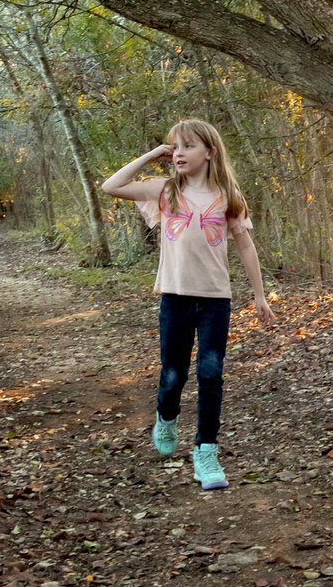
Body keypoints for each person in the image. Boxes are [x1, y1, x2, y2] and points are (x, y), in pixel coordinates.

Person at [101, 119, 274, 490]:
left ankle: (206, 452)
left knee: (211, 375)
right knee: (173, 372)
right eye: (174, 147)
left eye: (188, 146)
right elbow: (111, 186)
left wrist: (259, 295)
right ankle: (166, 415)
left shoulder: (228, 196)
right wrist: (152, 156)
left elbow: (245, 245)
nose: (178, 153)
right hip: (175, 297)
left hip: (215, 300)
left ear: (209, 152)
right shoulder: (166, 191)